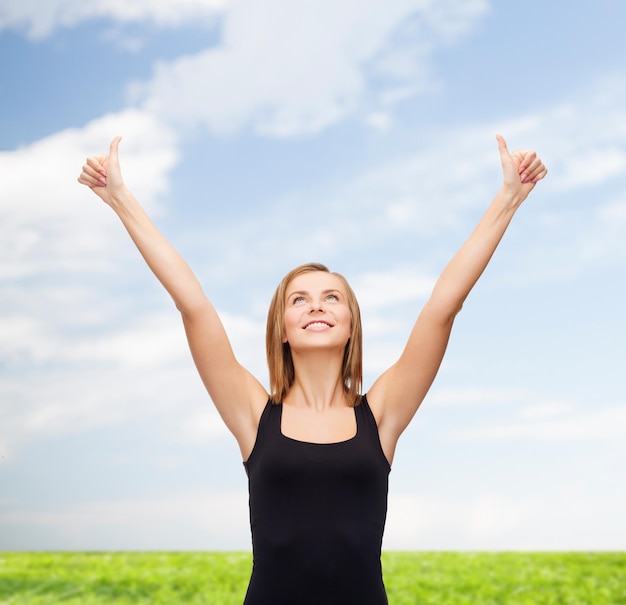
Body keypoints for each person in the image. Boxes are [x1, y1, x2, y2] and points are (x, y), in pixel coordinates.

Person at [78, 135, 547, 604]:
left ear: (350, 326)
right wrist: (120, 199)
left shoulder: (381, 414)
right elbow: (193, 306)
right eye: (298, 299)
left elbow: (443, 306)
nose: (315, 306)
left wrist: (508, 198)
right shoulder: (253, 414)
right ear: (282, 328)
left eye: (331, 298)